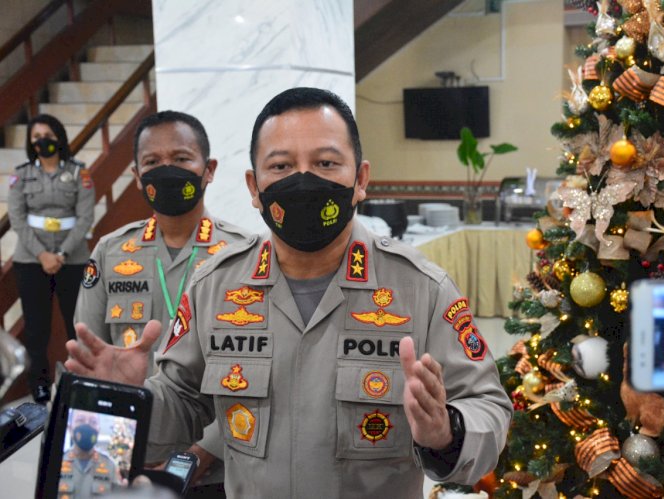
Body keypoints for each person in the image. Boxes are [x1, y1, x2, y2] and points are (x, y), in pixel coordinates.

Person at [66, 87, 513, 498]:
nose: (303, 181)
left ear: (360, 179)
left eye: (325, 164)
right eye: (280, 167)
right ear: (254, 189)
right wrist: (131, 398)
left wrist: (448, 432)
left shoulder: (420, 288)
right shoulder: (214, 287)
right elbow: (181, 405)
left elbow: (488, 406)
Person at [73, 111, 250, 496]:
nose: (167, 170)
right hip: (126, 454)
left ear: (209, 169)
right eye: (153, 163)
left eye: (182, 159)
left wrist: (205, 450)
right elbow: (90, 360)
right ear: (137, 176)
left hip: (220, 462)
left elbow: (258, 371)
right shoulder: (110, 251)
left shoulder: (244, 256)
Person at [8, 114, 95, 403]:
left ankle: (80, 377)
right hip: (32, 260)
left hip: (72, 259)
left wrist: (60, 254)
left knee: (78, 324)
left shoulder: (79, 173)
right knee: (36, 328)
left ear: (58, 137)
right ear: (31, 144)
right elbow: (18, 219)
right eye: (36, 137)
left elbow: (84, 217)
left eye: (47, 134)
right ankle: (40, 384)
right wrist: (43, 254)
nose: (42, 141)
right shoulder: (20, 176)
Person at [59, 410, 120, 498]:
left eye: (93, 422)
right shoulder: (57, 462)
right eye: (80, 420)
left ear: (98, 430)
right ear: (70, 429)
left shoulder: (110, 466)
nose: (87, 425)